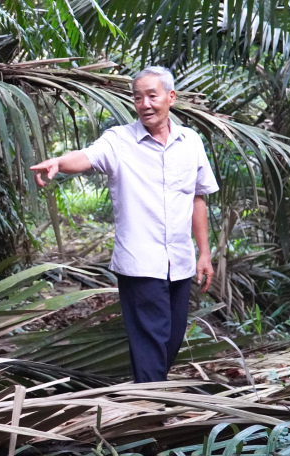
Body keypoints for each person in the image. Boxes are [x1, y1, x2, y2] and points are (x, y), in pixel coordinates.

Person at [30, 66, 219, 383]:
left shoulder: (191, 143)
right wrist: (59, 163)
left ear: (170, 97)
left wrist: (204, 253)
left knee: (169, 339)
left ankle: (147, 399)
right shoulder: (119, 141)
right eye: (137, 97)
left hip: (181, 261)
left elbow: (197, 198)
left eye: (152, 96)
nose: (144, 104)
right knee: (151, 339)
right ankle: (149, 412)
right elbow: (87, 157)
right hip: (139, 262)